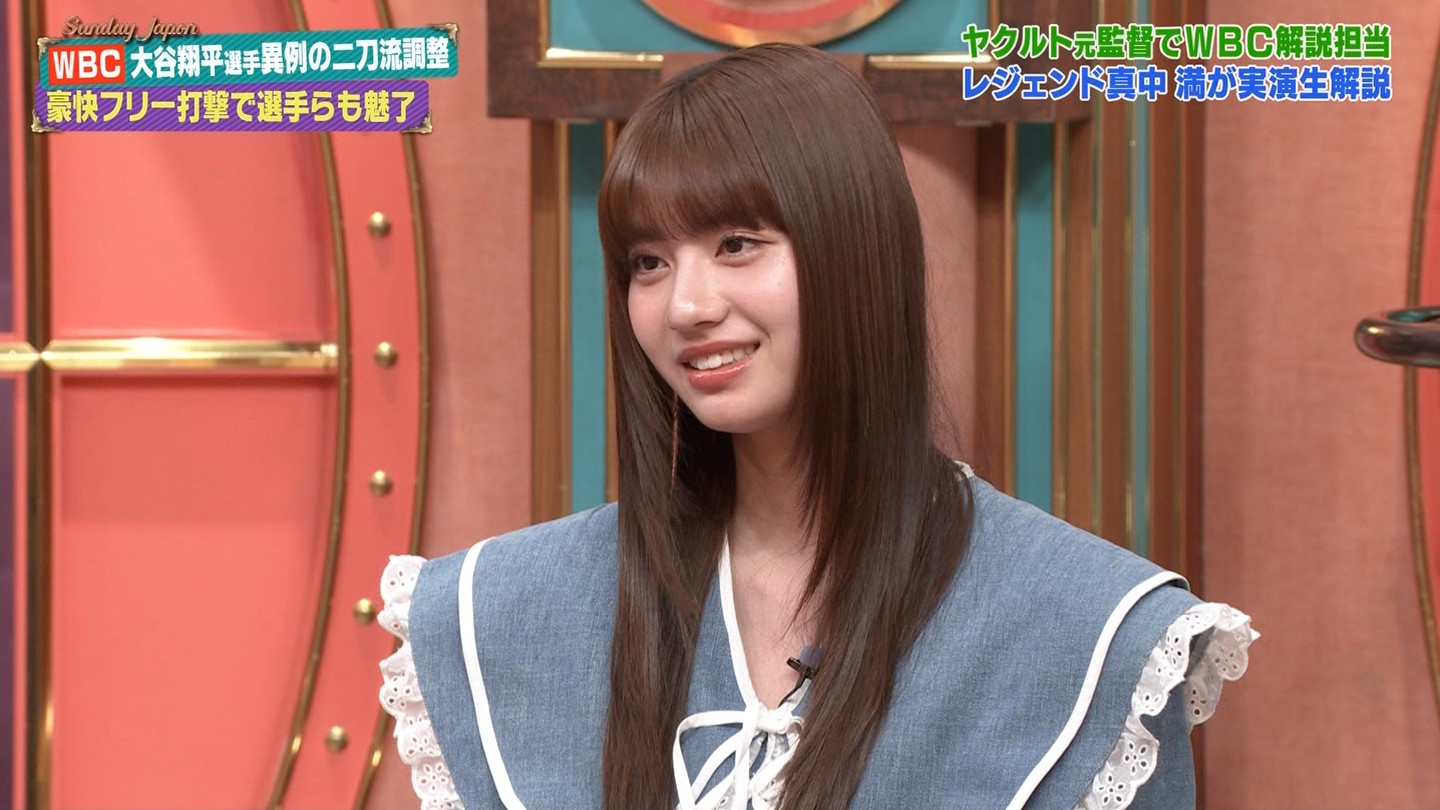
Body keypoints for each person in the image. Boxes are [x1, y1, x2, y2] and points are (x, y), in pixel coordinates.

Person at [377, 43, 1256, 810]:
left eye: (736, 244)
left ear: (854, 250)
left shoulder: (1088, 630)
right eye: (648, 261)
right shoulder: (499, 617)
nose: (685, 306)